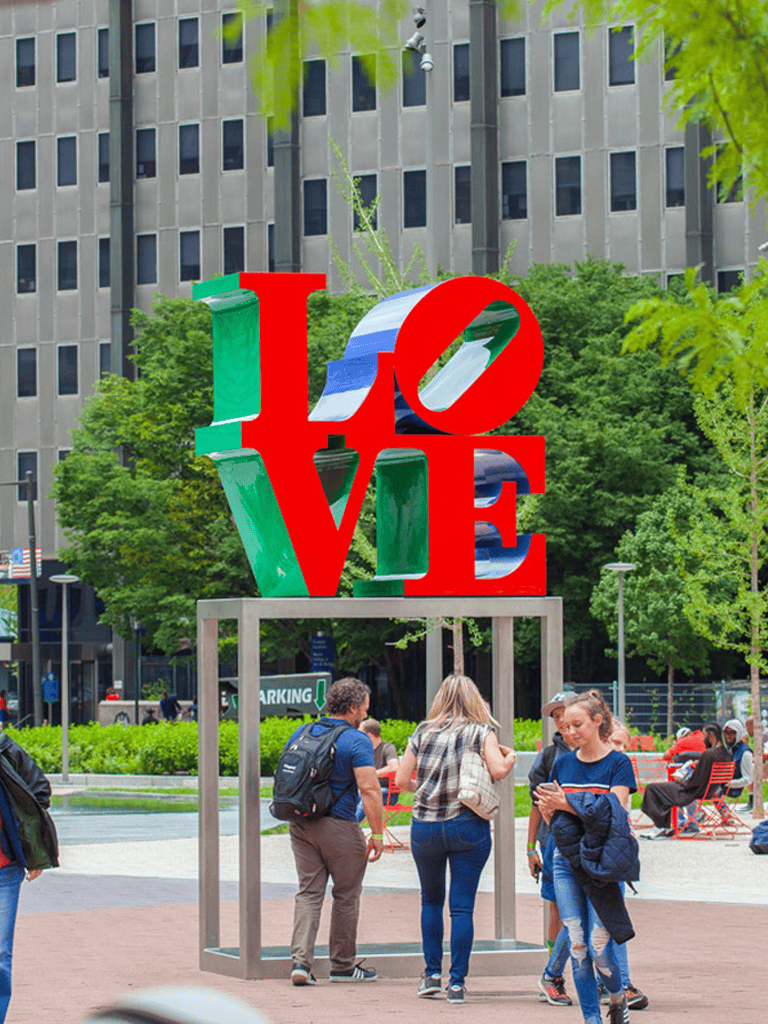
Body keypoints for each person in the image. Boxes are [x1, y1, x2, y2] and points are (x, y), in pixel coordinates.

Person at [395, 674, 517, 1005]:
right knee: (462, 907)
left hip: (426, 826)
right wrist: (509, 758)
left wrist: (424, 789)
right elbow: (500, 770)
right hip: (467, 825)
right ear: (475, 700)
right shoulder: (481, 732)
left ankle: (431, 975)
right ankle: (458, 984)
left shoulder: (422, 732)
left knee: (430, 900)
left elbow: (402, 779)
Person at [536, 691, 637, 1024]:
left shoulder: (618, 763)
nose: (570, 733)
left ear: (598, 721)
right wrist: (566, 810)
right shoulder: (563, 763)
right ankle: (591, 1019)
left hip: (602, 863)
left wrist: (568, 805)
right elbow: (554, 817)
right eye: (566, 727)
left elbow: (616, 812)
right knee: (577, 945)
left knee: (598, 945)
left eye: (577, 725)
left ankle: (618, 996)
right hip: (565, 861)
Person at [286, 678, 383, 986]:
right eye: (364, 709)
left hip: (300, 823)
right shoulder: (356, 740)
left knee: (309, 892)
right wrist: (378, 834)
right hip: (339, 824)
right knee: (346, 894)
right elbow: (369, 789)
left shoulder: (303, 732)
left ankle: (301, 964)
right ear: (353, 708)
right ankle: (342, 965)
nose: (365, 715)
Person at [0, 729, 59, 1023]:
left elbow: (40, 790)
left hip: (4, 870)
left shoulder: (4, 748)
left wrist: (32, 845)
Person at [527, 690, 578, 1008]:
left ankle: (604, 977)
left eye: (563, 712)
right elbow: (536, 804)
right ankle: (554, 975)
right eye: (554, 715)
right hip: (553, 843)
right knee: (559, 909)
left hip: (589, 841)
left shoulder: (598, 751)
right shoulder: (549, 756)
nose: (558, 719)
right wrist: (530, 847)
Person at [640, 722, 732, 837]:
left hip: (692, 792)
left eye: (705, 736)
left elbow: (695, 782)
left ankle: (661, 826)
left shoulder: (708, 755)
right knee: (662, 790)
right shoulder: (727, 755)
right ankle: (664, 826)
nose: (703, 740)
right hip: (711, 790)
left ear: (712, 736)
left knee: (652, 788)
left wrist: (680, 780)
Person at [355, 718, 399, 823]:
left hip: (388, 793)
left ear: (369, 735)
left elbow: (394, 767)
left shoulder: (387, 748)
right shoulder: (363, 750)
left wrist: (374, 774)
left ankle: (349, 831)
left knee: (366, 797)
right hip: (367, 789)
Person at [723, 719, 753, 810]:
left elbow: (748, 779)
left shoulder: (745, 753)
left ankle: (725, 813)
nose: (728, 736)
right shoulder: (729, 750)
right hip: (721, 785)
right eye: (726, 733)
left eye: (732, 733)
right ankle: (724, 813)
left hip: (733, 789)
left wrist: (728, 784)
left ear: (738, 733)